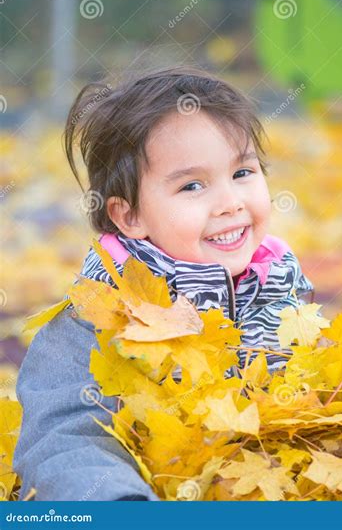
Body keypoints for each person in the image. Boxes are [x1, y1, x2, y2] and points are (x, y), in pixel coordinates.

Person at [13, 66, 321, 501]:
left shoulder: (281, 295)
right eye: (192, 185)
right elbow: (66, 439)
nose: (230, 203)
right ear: (129, 216)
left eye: (242, 173)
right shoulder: (95, 324)